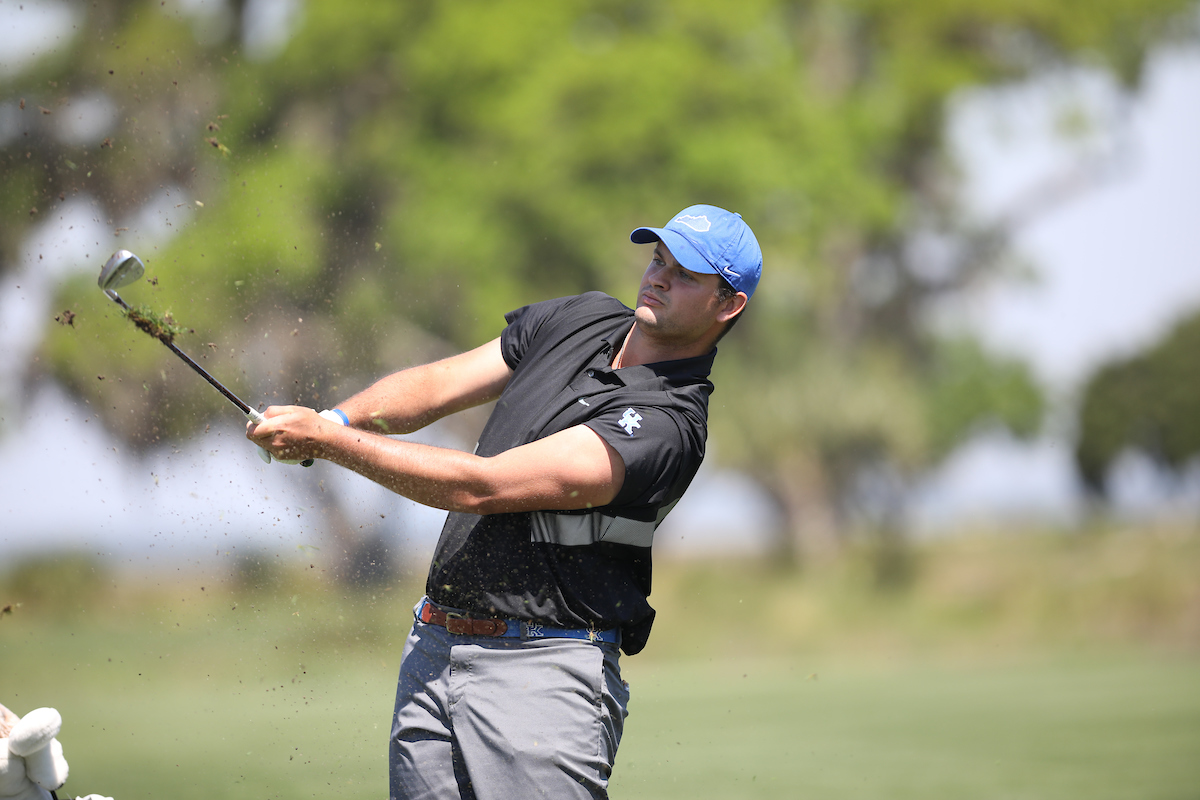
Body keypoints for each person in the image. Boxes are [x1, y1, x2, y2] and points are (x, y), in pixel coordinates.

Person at [247, 204, 762, 800]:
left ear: (728, 305)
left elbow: (483, 487)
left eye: (686, 275)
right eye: (658, 259)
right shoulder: (581, 318)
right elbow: (438, 385)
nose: (659, 278)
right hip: (433, 649)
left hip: (542, 675)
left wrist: (328, 443)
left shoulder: (668, 424)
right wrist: (335, 420)